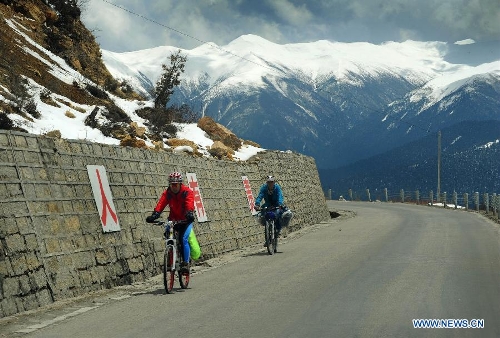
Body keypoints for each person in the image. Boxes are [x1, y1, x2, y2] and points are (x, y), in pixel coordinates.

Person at [146, 172, 199, 272]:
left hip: (185, 220)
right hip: (173, 219)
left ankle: (185, 263)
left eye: (175, 184)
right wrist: (155, 214)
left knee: (183, 239)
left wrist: (189, 213)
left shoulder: (186, 192)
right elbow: (161, 203)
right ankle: (170, 259)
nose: (173, 186)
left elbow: (189, 203)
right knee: (168, 236)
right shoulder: (168, 193)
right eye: (171, 184)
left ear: (180, 184)